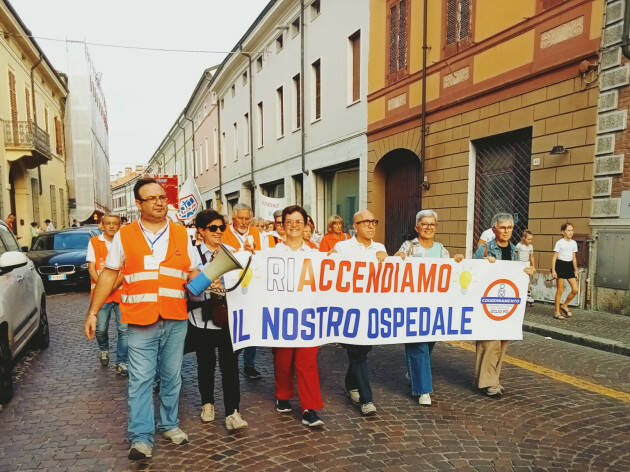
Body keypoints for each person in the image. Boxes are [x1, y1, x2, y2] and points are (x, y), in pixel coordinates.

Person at [84, 177, 202, 461]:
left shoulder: (181, 233)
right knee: (140, 380)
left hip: (175, 317)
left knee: (172, 376)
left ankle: (169, 424)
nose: (160, 202)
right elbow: (110, 274)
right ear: (139, 204)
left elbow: (193, 273)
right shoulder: (125, 236)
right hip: (139, 320)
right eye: (153, 198)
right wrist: (92, 311)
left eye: (163, 197)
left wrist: (210, 282)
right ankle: (140, 438)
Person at [395, 210, 464, 406]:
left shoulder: (442, 250)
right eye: (424, 224)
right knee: (418, 344)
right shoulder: (408, 247)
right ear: (417, 227)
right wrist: (398, 256)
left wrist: (457, 262)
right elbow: (396, 265)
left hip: (435, 305)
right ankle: (423, 390)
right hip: (412, 305)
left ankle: (414, 370)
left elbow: (450, 274)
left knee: (429, 341)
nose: (428, 228)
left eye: (432, 224)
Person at [188, 209, 248, 431]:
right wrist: (208, 279)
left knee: (230, 365)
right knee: (206, 363)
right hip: (201, 317)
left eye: (222, 227)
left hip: (226, 316)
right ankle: (208, 404)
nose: (219, 232)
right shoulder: (192, 253)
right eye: (213, 228)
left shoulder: (231, 251)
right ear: (201, 231)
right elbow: (191, 288)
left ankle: (233, 411)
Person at [272, 205, 325, 428]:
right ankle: (283, 394)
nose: (294, 225)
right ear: (282, 226)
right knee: (283, 361)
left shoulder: (315, 254)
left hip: (308, 317)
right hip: (281, 316)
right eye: (290, 221)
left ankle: (309, 407)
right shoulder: (271, 254)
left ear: (306, 226)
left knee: (307, 362)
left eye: (298, 221)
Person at [331, 209, 387, 416]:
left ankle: (350, 384)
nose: (371, 225)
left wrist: (388, 258)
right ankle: (367, 399)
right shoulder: (342, 247)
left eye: (374, 221)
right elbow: (330, 270)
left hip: (370, 310)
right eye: (366, 222)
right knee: (357, 353)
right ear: (355, 227)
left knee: (362, 352)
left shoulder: (379, 247)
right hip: (348, 311)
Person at [474, 213, 535, 397]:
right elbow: (472, 270)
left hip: (507, 304)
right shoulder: (485, 249)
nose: (506, 231)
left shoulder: (515, 251)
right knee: (489, 342)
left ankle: (493, 379)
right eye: (502, 227)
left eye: (509, 228)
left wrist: (526, 272)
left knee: (502, 343)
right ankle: (487, 382)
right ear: (494, 230)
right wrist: (483, 263)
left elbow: (517, 274)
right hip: (487, 302)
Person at [221, 203, 273, 380]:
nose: (244, 222)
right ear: (233, 217)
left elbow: (265, 256)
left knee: (252, 324)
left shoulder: (257, 233)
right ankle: (232, 358)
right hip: (232, 286)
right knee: (234, 322)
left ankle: (249, 364)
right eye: (240, 218)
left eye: (247, 218)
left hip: (253, 286)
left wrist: (255, 253)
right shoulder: (224, 233)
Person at [87, 214, 128, 375]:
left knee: (124, 330)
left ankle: (121, 362)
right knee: (101, 329)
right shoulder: (94, 242)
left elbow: (125, 270)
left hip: (121, 294)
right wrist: (102, 287)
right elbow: (91, 268)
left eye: (115, 224)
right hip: (100, 295)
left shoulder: (125, 243)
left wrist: (111, 287)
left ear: (119, 226)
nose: (111, 226)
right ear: (102, 226)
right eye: (108, 224)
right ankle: (104, 349)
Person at [551, 223, 579, 320]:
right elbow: (554, 257)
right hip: (560, 265)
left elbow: (574, 258)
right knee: (560, 290)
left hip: (569, 266)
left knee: (575, 289)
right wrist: (554, 270)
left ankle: (564, 305)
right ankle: (557, 312)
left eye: (572, 230)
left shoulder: (574, 243)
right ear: (563, 232)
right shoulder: (560, 242)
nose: (571, 232)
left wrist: (576, 270)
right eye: (568, 230)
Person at [516, 229, 536, 306]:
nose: (530, 241)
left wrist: (533, 266)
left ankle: (528, 295)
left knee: (527, 280)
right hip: (519, 264)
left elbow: (532, 257)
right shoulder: (519, 246)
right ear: (524, 238)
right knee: (519, 280)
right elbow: (516, 255)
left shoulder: (530, 246)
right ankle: (519, 295)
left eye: (531, 239)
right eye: (528, 239)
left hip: (526, 265)